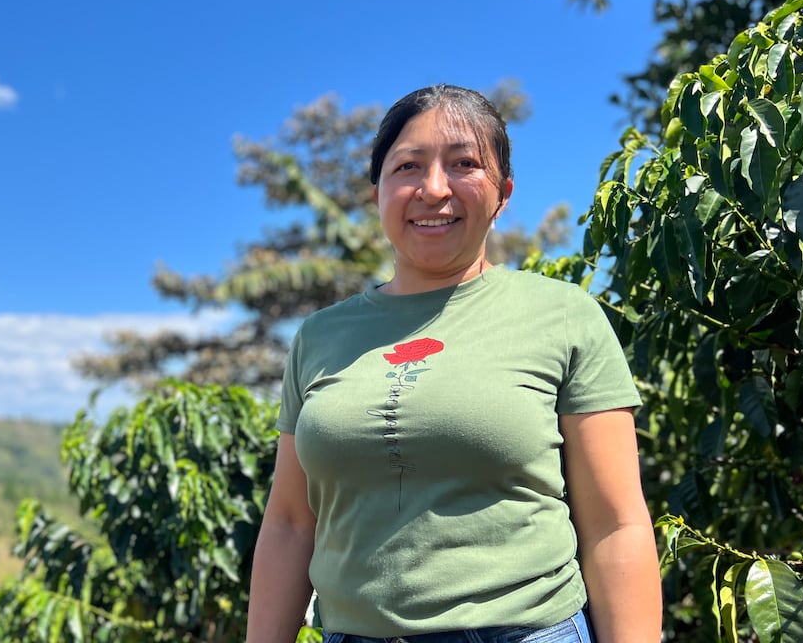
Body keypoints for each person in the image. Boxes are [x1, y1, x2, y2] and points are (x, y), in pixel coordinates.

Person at [246, 84, 661, 643]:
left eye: (464, 164)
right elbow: (291, 524)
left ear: (503, 193)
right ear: (378, 194)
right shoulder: (320, 337)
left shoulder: (564, 316)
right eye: (408, 167)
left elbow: (616, 524)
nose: (433, 189)